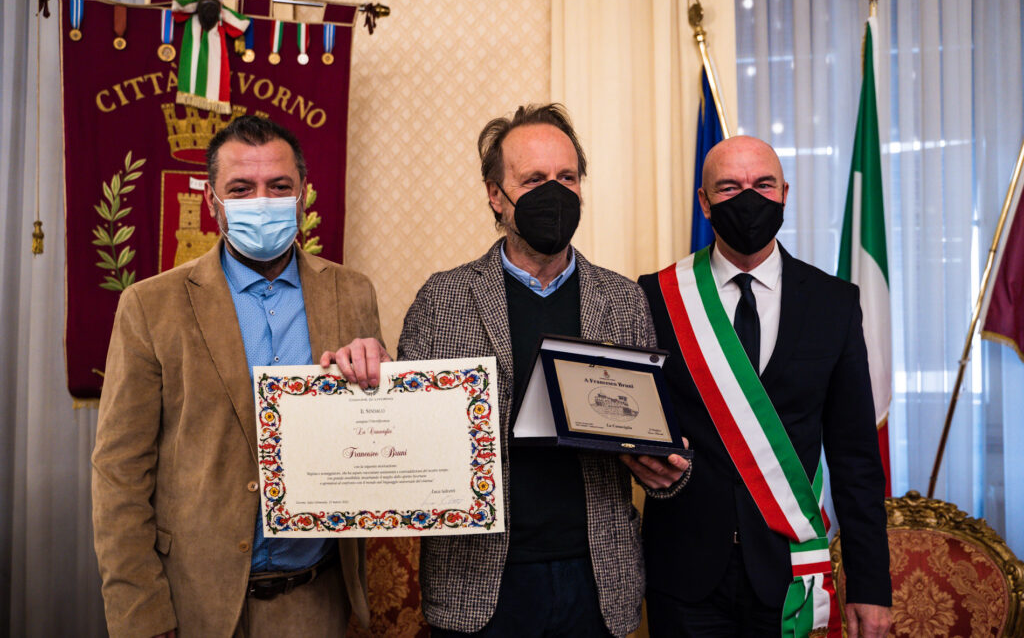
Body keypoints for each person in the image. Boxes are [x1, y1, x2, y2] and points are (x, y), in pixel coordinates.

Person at [325, 104, 690, 637]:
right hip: (476, 583)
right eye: (534, 179)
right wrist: (362, 384)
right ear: (496, 194)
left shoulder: (623, 299)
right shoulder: (442, 299)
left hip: (596, 582)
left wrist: (667, 469)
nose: (555, 193)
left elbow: (655, 434)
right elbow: (404, 439)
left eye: (567, 178)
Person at [92, 116, 378, 637]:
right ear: (212, 201)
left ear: (304, 195)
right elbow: (120, 472)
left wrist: (382, 377)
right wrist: (141, 615)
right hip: (194, 604)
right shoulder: (150, 305)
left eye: (279, 186)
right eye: (242, 189)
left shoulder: (352, 292)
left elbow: (375, 436)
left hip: (316, 601)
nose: (262, 202)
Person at [638, 135, 892, 637]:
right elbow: (634, 420)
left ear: (784, 194)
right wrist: (637, 457)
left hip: (789, 569)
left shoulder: (834, 303)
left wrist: (870, 585)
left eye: (763, 185)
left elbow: (856, 458)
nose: (749, 199)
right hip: (684, 574)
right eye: (729, 188)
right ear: (704, 202)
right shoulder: (656, 296)